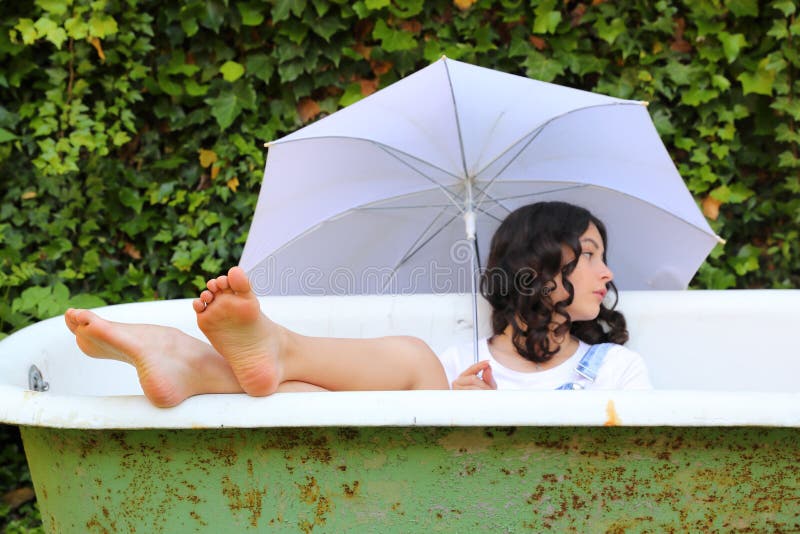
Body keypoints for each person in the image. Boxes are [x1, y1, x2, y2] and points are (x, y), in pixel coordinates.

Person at [64, 201, 650, 407]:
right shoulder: (458, 362)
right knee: (316, 393)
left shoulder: (617, 371)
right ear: (538, 268)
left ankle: (208, 363)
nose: (609, 273)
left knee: (418, 365)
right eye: (591, 255)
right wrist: (452, 402)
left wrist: (472, 417)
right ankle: (196, 370)